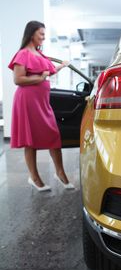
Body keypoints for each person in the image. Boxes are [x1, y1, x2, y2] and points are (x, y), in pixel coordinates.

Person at [8, 20, 75, 191]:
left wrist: (62, 65)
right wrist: (39, 78)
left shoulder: (40, 54)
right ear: (32, 34)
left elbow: (49, 71)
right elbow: (18, 79)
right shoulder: (23, 54)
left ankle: (60, 173)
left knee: (53, 135)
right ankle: (34, 178)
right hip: (27, 101)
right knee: (30, 140)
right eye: (42, 34)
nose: (44, 37)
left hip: (42, 102)